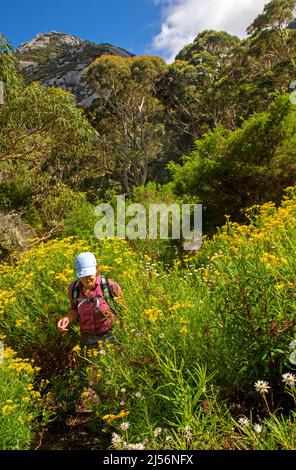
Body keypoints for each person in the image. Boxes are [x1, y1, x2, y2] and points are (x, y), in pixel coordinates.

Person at [57, 251, 123, 352]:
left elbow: (124, 313)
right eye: (82, 276)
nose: (86, 280)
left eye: (89, 275)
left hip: (110, 335)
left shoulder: (110, 286)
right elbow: (74, 310)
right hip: (88, 339)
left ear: (97, 269)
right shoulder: (73, 288)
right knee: (95, 366)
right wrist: (67, 319)